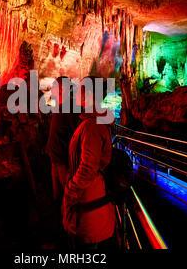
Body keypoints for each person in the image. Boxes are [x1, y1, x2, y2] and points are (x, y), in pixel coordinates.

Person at [62, 76, 116, 249]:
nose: (76, 92)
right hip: (92, 200)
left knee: (88, 247)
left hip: (89, 204)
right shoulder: (92, 122)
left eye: (80, 89)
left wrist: (71, 189)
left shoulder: (91, 126)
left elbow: (88, 167)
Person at [46, 77, 79, 202]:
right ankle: (57, 211)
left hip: (62, 157)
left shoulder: (69, 107)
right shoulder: (59, 106)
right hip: (54, 155)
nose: (57, 91)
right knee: (56, 189)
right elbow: (55, 130)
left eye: (61, 88)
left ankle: (68, 215)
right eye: (56, 88)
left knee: (66, 189)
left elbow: (73, 132)